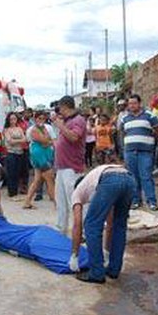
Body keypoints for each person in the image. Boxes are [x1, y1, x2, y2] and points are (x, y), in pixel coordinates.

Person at [69, 164, 136, 283]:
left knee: (91, 225)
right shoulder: (94, 184)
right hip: (129, 179)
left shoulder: (77, 192)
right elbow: (110, 223)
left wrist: (75, 255)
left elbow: (77, 224)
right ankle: (114, 270)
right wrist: (106, 252)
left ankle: (96, 273)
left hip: (111, 179)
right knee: (119, 225)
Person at [52, 95, 86, 235]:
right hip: (61, 166)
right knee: (61, 201)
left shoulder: (78, 120)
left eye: (60, 108)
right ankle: (61, 228)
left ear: (65, 106)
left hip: (72, 167)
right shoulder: (66, 121)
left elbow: (74, 137)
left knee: (74, 201)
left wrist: (60, 126)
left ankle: (81, 231)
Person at [122, 94, 158, 211]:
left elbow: (157, 129)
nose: (132, 105)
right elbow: (123, 133)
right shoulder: (124, 118)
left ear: (139, 103)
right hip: (129, 152)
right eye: (130, 104)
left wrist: (149, 142)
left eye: (134, 103)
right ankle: (135, 201)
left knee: (146, 176)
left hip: (145, 152)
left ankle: (152, 201)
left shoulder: (150, 115)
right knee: (133, 178)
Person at [23, 110, 55, 209]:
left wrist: (47, 140)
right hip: (39, 156)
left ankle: (27, 202)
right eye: (39, 118)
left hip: (43, 155)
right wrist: (47, 140)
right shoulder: (33, 130)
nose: (41, 120)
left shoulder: (44, 128)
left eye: (43, 118)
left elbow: (49, 140)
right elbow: (45, 141)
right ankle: (57, 203)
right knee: (50, 179)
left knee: (37, 180)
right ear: (35, 118)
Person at [3, 112, 27, 198]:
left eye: (14, 119)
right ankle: (11, 192)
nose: (13, 121)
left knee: (18, 172)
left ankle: (16, 190)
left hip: (19, 153)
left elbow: (25, 139)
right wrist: (19, 140)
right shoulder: (7, 130)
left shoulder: (19, 129)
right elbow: (10, 141)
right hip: (11, 153)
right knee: (11, 173)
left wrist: (16, 140)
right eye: (11, 119)